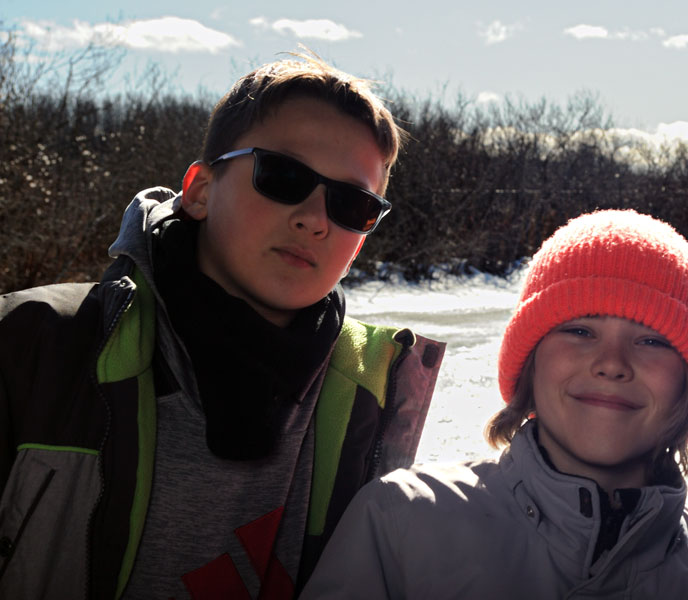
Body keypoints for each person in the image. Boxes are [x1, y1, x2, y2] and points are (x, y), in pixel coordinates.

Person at [0, 54, 445, 599]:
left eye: (353, 204)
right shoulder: (34, 345)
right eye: (283, 175)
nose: (316, 218)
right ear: (200, 190)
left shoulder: (371, 396)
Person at [301, 209, 688, 599]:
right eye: (579, 331)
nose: (611, 363)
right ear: (530, 364)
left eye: (652, 341)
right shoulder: (400, 524)